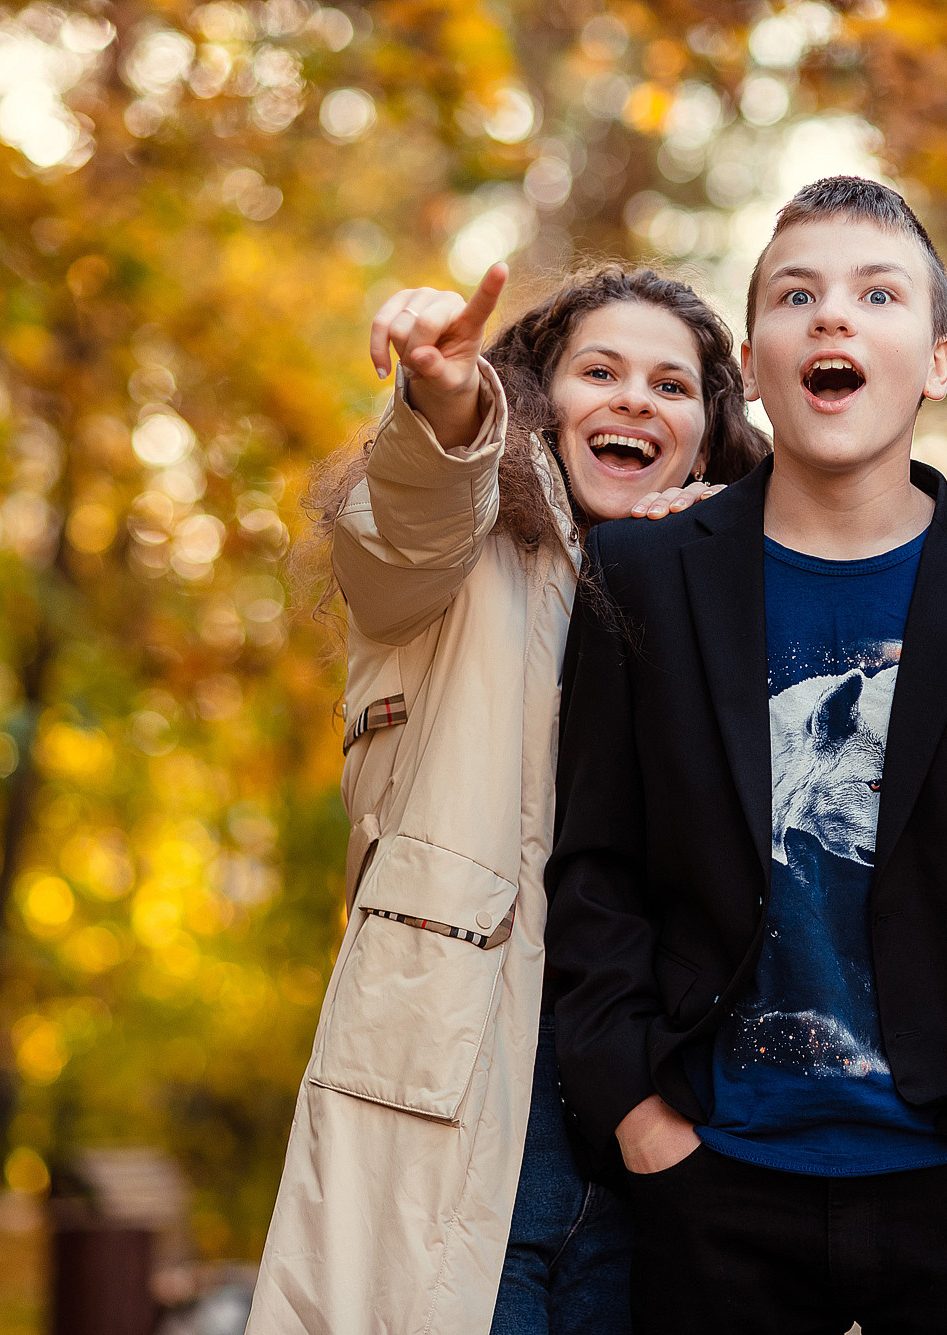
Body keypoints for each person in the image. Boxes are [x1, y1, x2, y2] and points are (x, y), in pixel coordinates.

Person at [543, 176, 947, 1335]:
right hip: (707, 1178)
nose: (832, 317)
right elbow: (592, 876)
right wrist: (640, 1122)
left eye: (874, 294)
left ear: (935, 361)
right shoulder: (642, 577)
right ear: (752, 359)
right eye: (797, 295)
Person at [247, 262, 767, 1335]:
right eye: (600, 371)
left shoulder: (746, 579)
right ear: (537, 399)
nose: (635, 400)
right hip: (479, 1115)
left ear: (710, 436)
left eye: (672, 387)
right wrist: (445, 402)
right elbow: (417, 509)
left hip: (674, 1134)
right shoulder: (464, 556)